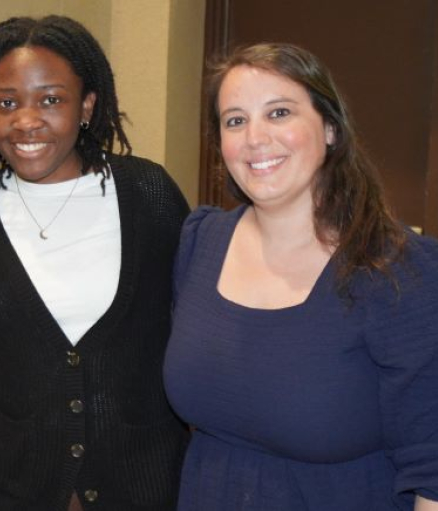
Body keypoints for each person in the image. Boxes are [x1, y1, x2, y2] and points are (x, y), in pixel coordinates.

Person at [163, 42, 438, 510]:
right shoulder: (199, 242)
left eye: (279, 113)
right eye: (235, 120)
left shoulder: (397, 267)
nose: (254, 138)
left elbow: (432, 469)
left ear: (330, 128)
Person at [0, 15, 190, 510]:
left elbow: (193, 329)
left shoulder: (149, 194)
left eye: (51, 99)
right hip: (20, 487)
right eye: (6, 103)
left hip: (145, 483)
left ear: (87, 106)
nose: (26, 120)